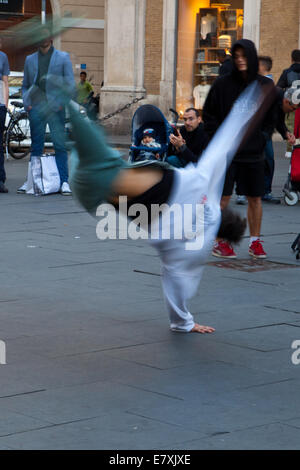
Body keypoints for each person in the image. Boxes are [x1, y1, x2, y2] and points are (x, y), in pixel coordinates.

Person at [67, 81, 269, 333]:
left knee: (90, 144)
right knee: (88, 154)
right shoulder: (196, 250)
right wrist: (183, 322)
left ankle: (63, 102)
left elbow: (225, 144)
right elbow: (175, 280)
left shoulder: (207, 189)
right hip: (96, 191)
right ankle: (64, 105)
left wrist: (253, 100)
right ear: (221, 237)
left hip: (121, 177)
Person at [203, 39, 276, 260]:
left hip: (253, 153)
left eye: (245, 56)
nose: (241, 60)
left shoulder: (264, 85)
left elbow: (271, 117)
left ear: (252, 57)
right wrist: (220, 139)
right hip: (227, 154)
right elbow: (209, 115)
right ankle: (220, 242)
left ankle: (255, 242)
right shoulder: (222, 84)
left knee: (255, 198)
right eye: (237, 57)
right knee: (223, 199)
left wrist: (262, 138)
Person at [18, 27, 76, 195]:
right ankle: (32, 181)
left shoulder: (63, 57)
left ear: (50, 38)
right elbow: (25, 85)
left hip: (55, 108)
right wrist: (27, 103)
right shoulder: (30, 60)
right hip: (35, 107)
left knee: (59, 145)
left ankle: (64, 182)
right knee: (36, 146)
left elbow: (70, 85)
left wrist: (60, 103)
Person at [258, 55, 280, 203]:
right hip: (258, 129)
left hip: (263, 130)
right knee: (264, 160)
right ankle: (262, 190)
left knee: (268, 159)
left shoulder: (269, 84)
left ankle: (265, 190)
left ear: (263, 67)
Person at [0, 40, 10, 194]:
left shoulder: (2, 57)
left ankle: (0, 180)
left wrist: (6, 105)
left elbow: (6, 82)